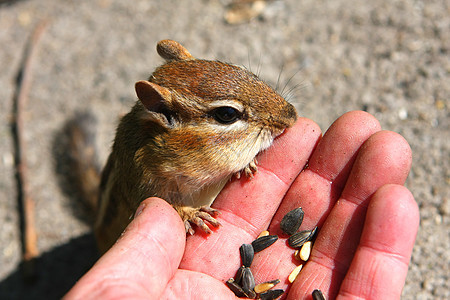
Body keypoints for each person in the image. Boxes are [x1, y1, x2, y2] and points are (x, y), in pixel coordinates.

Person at [64, 111, 419, 299]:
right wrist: (182, 212)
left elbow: (202, 171)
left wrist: (236, 163)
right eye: (225, 116)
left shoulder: (191, 156)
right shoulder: (150, 160)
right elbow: (148, 203)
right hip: (120, 226)